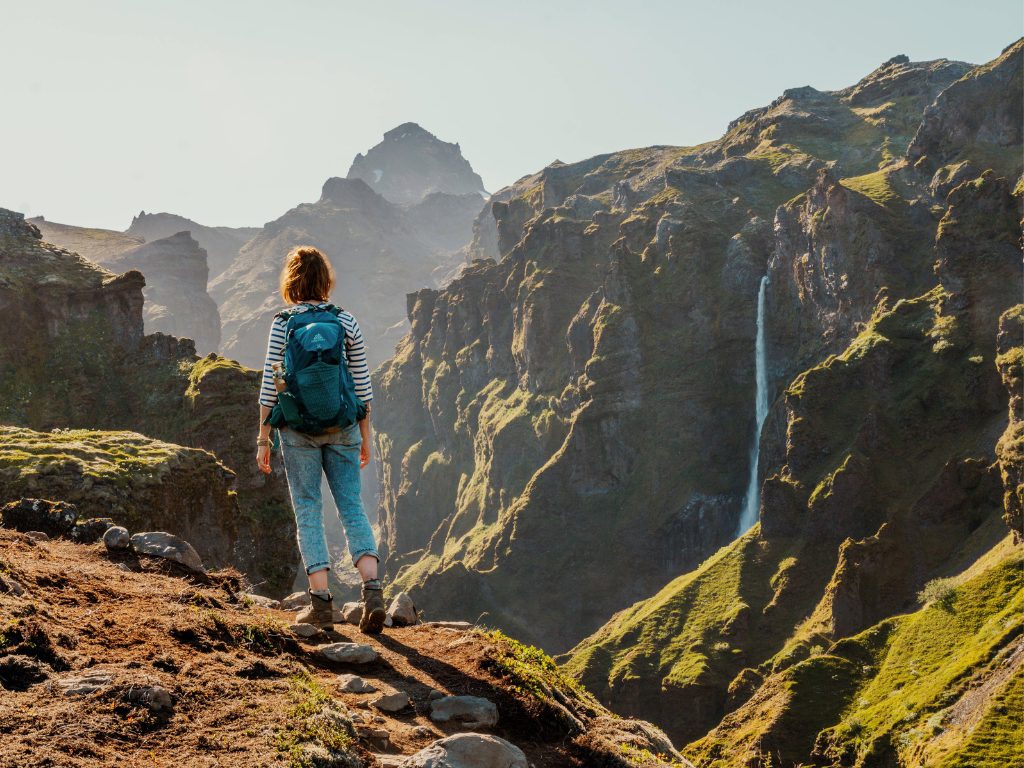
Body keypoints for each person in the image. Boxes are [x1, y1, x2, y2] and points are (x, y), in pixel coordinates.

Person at [255, 245, 385, 634]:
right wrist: (365, 436)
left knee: (308, 509)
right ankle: (373, 590)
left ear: (292, 282)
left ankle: (321, 604)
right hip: (343, 427)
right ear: (325, 281)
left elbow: (270, 384)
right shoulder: (346, 320)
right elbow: (362, 387)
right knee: (351, 504)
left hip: (297, 431)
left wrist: (264, 437)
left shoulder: (283, 322)